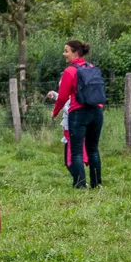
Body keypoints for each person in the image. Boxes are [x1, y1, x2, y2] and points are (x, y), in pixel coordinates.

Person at [49, 40, 103, 189]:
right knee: (93, 149)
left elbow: (63, 96)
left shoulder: (70, 71)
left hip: (78, 113)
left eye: (66, 51)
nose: (64, 54)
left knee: (76, 151)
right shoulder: (91, 68)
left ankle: (80, 185)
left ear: (75, 52)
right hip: (97, 112)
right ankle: (96, 184)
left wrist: (55, 112)